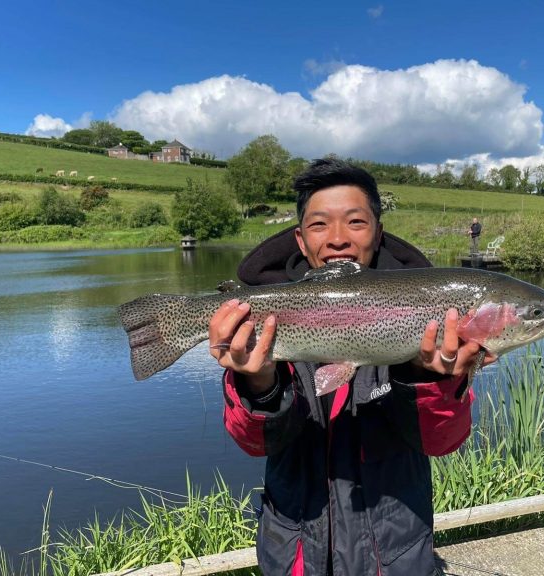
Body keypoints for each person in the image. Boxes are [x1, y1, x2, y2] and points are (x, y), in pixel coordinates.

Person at [208, 159, 496, 575]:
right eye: (320, 225)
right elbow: (256, 444)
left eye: (356, 222)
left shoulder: (433, 317)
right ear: (300, 240)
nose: (338, 239)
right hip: (293, 556)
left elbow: (441, 442)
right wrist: (257, 379)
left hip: (395, 558)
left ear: (379, 232)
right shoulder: (264, 313)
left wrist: (428, 376)